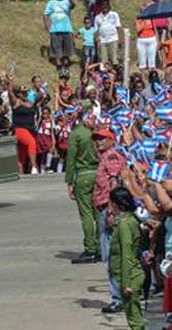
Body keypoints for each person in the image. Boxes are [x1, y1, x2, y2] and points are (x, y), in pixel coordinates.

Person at [92, 127, 126, 314]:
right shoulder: (104, 157)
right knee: (109, 254)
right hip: (103, 208)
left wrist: (112, 210)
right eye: (97, 139)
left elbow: (114, 184)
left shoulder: (111, 157)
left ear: (112, 140)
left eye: (103, 138)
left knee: (111, 255)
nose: (99, 142)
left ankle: (118, 298)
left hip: (108, 209)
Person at [66, 105, 100, 264]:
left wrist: (69, 181)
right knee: (98, 213)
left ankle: (90, 248)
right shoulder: (95, 131)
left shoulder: (76, 134)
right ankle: (100, 246)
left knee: (86, 214)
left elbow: (71, 159)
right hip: (97, 173)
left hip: (83, 174)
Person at [108, 187, 145, 330]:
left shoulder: (124, 225)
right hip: (130, 273)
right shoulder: (129, 220)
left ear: (115, 204)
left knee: (135, 319)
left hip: (130, 275)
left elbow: (126, 254)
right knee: (134, 316)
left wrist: (126, 283)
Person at [44, 0, 76, 73]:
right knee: (56, 48)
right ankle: (58, 64)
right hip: (55, 29)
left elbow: (73, 5)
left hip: (67, 28)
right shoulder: (51, 3)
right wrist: (46, 25)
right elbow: (45, 14)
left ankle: (65, 64)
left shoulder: (67, 2)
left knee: (67, 48)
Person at [94, 0, 121, 67]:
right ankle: (106, 73)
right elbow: (96, 30)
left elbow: (118, 27)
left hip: (113, 39)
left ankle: (116, 72)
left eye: (106, 4)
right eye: (103, 5)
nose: (105, 6)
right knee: (103, 61)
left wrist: (120, 40)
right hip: (103, 41)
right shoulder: (97, 17)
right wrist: (97, 40)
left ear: (109, 5)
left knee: (114, 59)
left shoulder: (114, 14)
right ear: (101, 6)